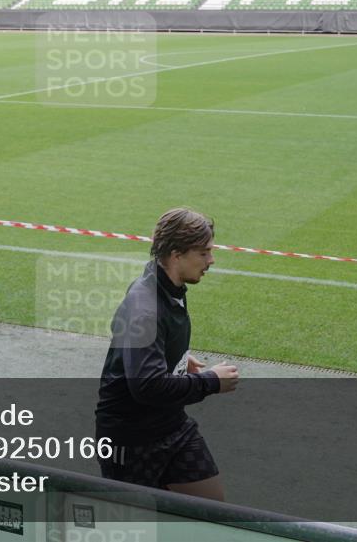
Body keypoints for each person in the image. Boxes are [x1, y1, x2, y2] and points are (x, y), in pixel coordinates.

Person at [94, 207, 240, 501]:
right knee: (133, 527)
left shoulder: (167, 286)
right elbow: (147, 386)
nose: (211, 261)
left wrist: (175, 359)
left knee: (212, 510)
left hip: (171, 426)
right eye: (204, 253)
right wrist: (211, 381)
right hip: (131, 440)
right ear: (177, 254)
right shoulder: (145, 306)